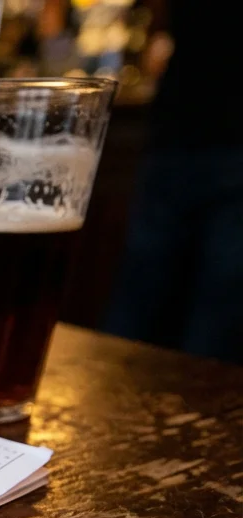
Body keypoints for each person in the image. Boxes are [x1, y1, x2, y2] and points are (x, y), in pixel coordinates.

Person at [102, 2, 243, 364]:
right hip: (198, 137)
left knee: (141, 295)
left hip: (177, 132)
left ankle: (112, 389)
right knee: (216, 305)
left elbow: (157, 23)